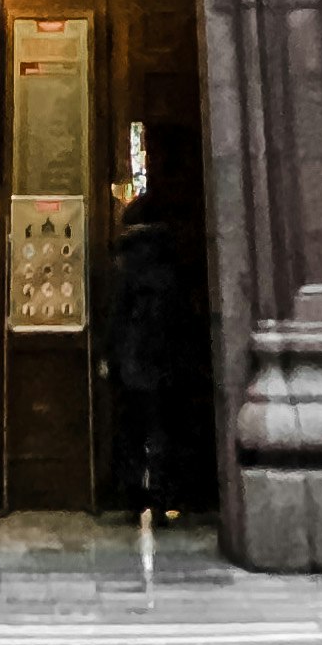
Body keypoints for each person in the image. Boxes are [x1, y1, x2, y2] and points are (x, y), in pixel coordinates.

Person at [108, 200, 194, 515]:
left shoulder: (126, 262)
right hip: (166, 359)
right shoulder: (170, 260)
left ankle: (131, 494)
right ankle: (163, 496)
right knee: (164, 428)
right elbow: (182, 314)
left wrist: (111, 355)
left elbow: (118, 315)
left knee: (132, 428)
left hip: (132, 360)